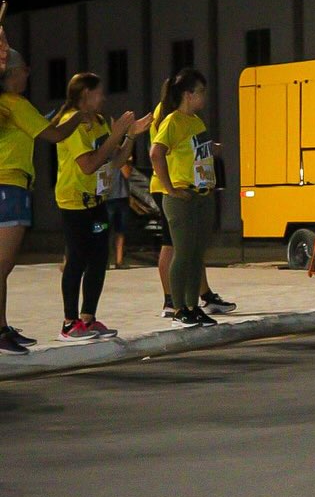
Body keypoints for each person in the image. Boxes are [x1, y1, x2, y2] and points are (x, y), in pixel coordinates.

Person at [0, 49, 92, 354]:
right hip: (9, 186)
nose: (28, 72)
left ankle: (3, 326)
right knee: (2, 265)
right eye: (25, 68)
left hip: (10, 185)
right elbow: (53, 135)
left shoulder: (9, 106)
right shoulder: (14, 103)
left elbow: (38, 125)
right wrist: (78, 116)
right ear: (12, 72)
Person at [52, 72, 151, 341]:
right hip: (75, 203)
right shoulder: (70, 122)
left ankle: (88, 318)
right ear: (86, 95)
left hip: (97, 202)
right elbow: (89, 165)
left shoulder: (98, 122)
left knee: (98, 257)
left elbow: (115, 162)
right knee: (77, 258)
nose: (104, 98)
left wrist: (130, 136)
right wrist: (116, 133)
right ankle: (69, 323)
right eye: (99, 93)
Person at [149, 79, 236, 318]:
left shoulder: (195, 121)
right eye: (201, 92)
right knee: (181, 252)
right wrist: (171, 188)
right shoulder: (171, 120)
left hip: (200, 194)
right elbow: (156, 153)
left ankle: (193, 305)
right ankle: (178, 307)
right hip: (180, 195)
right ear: (187, 94)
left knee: (195, 253)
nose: (204, 97)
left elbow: (197, 151)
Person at [105, 155, 133, 269]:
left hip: (122, 197)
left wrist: (124, 159)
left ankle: (119, 260)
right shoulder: (103, 156)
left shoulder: (122, 157)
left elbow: (127, 173)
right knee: (103, 229)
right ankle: (105, 260)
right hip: (107, 198)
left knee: (121, 230)